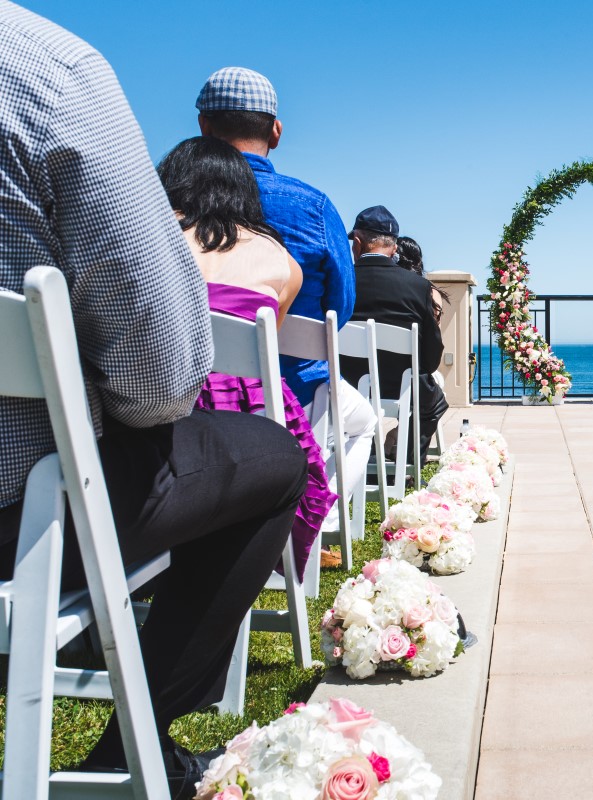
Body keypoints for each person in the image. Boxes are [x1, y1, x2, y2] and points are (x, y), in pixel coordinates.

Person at [0, 5, 307, 796]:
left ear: (202, 125)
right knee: (274, 454)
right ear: (272, 131)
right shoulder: (45, 71)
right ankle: (131, 739)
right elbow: (159, 379)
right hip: (23, 518)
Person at [196, 66, 374, 566]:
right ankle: (321, 524)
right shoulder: (312, 206)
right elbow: (339, 307)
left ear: (204, 127)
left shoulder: (171, 201)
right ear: (276, 129)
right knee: (364, 424)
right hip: (293, 394)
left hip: (183, 392)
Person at [157, 136, 337, 580]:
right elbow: (259, 358)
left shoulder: (148, 244)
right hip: (241, 420)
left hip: (153, 414)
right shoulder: (278, 261)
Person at [340, 207, 447, 463]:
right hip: (402, 384)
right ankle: (407, 462)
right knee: (433, 402)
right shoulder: (417, 286)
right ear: (394, 247)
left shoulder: (341, 281)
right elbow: (431, 356)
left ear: (357, 242)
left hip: (347, 385)